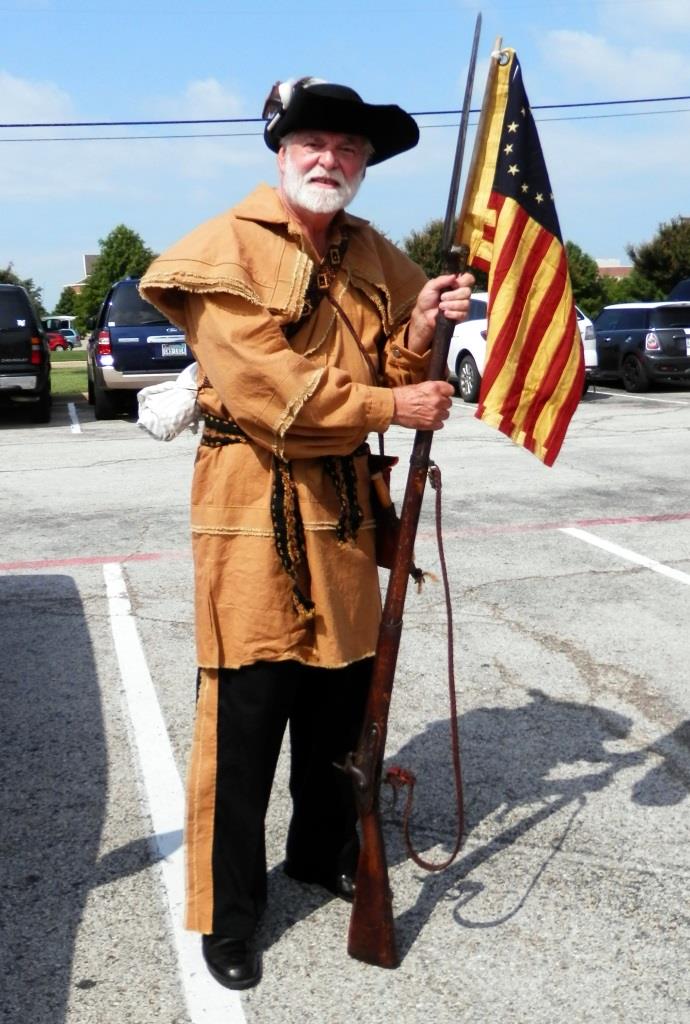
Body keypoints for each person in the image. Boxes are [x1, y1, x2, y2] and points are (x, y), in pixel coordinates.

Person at [139, 76, 474, 991]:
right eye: (314, 144)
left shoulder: (371, 251)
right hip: (253, 510)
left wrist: (419, 325)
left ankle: (317, 854)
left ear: (365, 164)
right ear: (281, 152)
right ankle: (230, 919)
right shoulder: (224, 250)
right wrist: (391, 400)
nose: (332, 159)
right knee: (245, 725)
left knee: (341, 707)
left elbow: (400, 356)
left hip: (347, 514)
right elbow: (267, 392)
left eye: (350, 148)